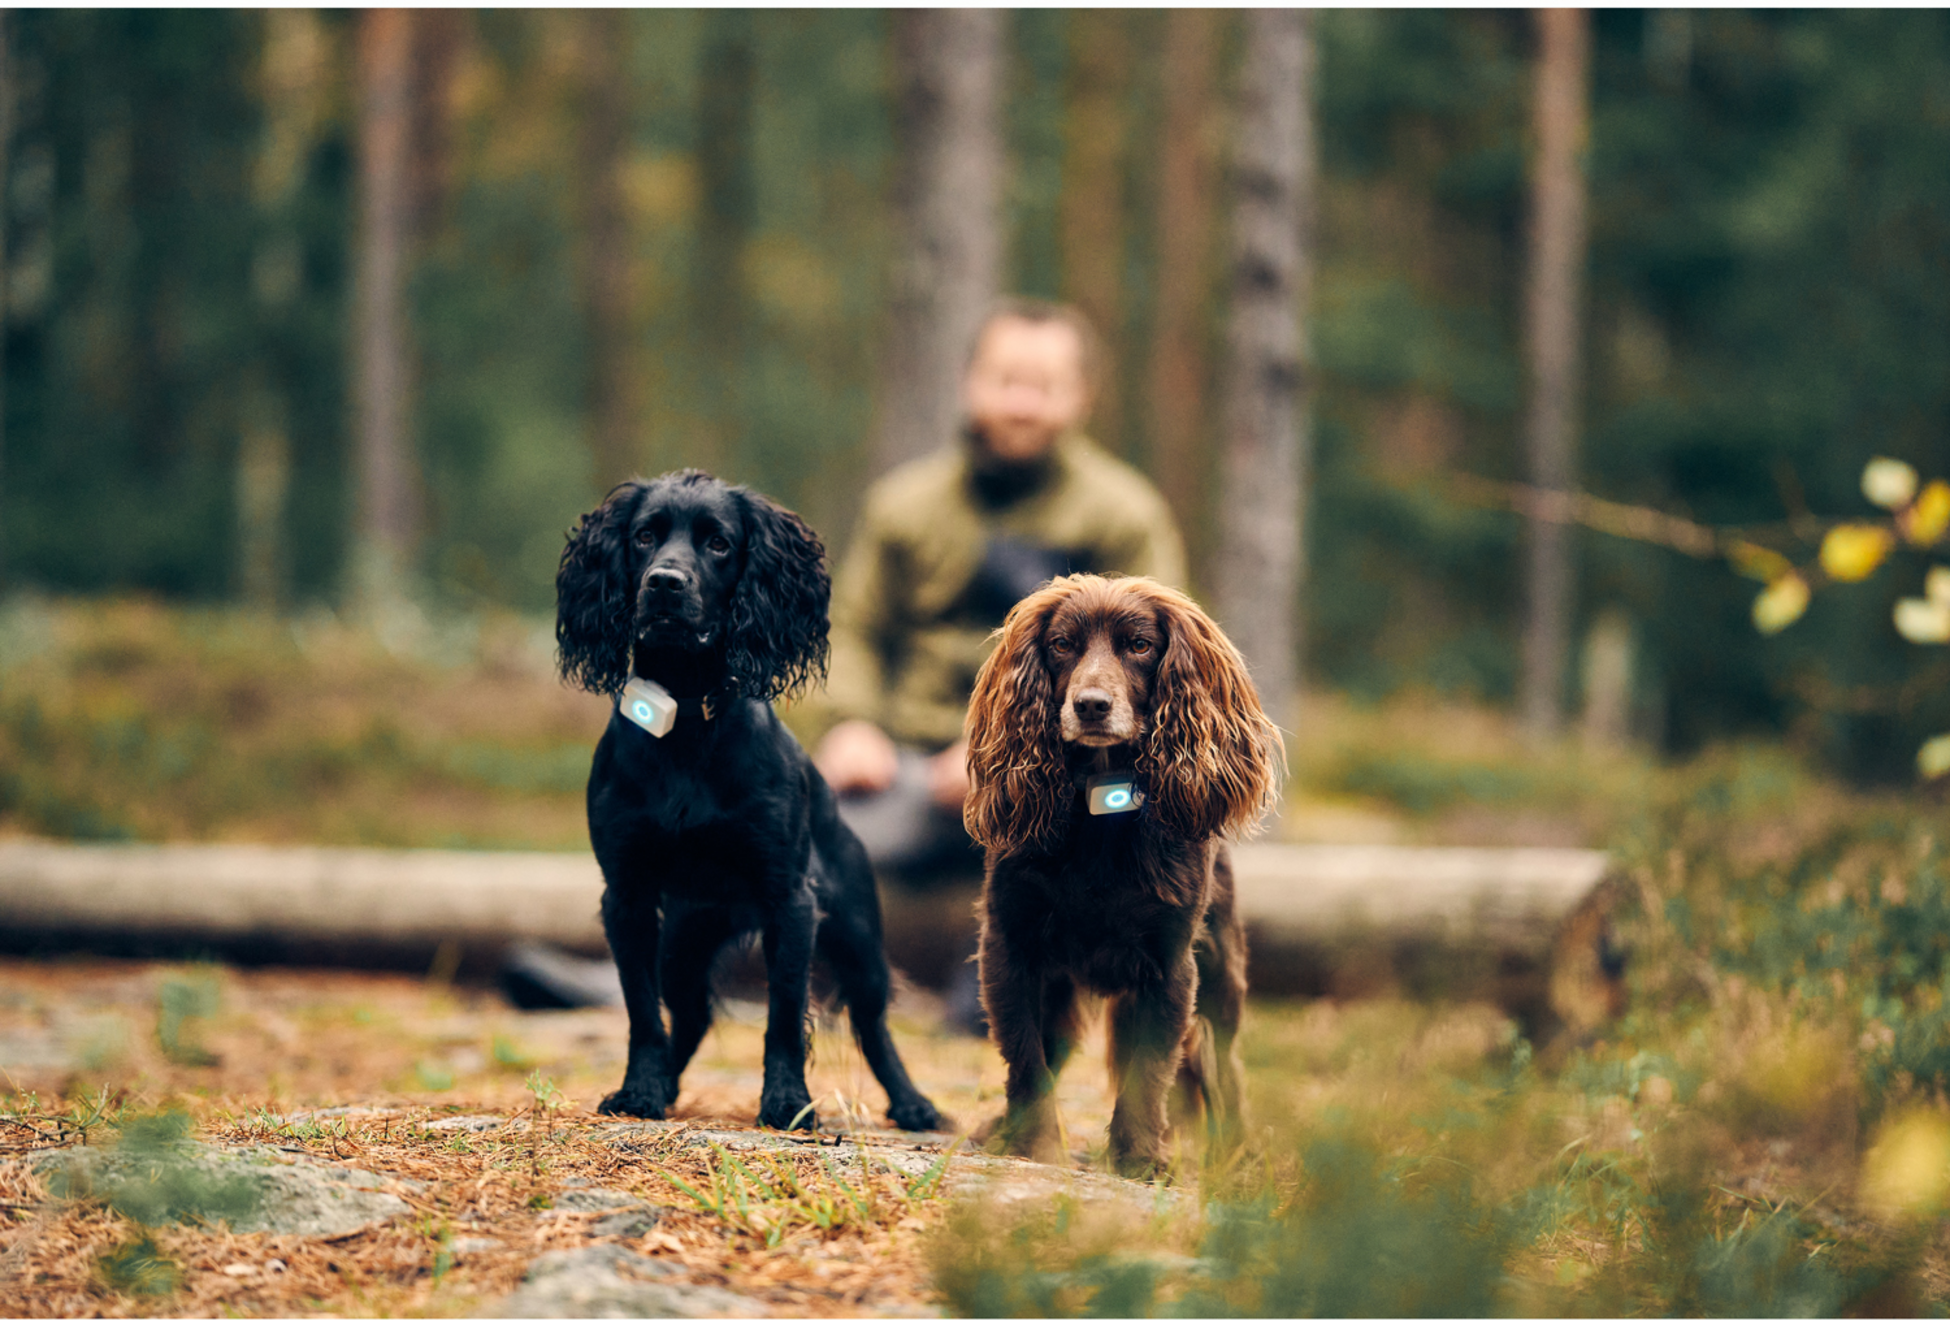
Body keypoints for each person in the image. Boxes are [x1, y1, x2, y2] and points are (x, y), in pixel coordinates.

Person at [804, 299, 1187, 1018]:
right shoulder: (905, 507)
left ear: (1080, 397)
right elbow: (852, 628)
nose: (1021, 403)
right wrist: (851, 724)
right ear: (969, 381)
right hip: (908, 770)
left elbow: (1162, 664)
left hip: (1065, 780)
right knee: (783, 834)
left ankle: (993, 1008)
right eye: (1006, 379)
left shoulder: (1123, 516)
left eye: (1043, 386)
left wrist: (1001, 753)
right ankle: (646, 979)